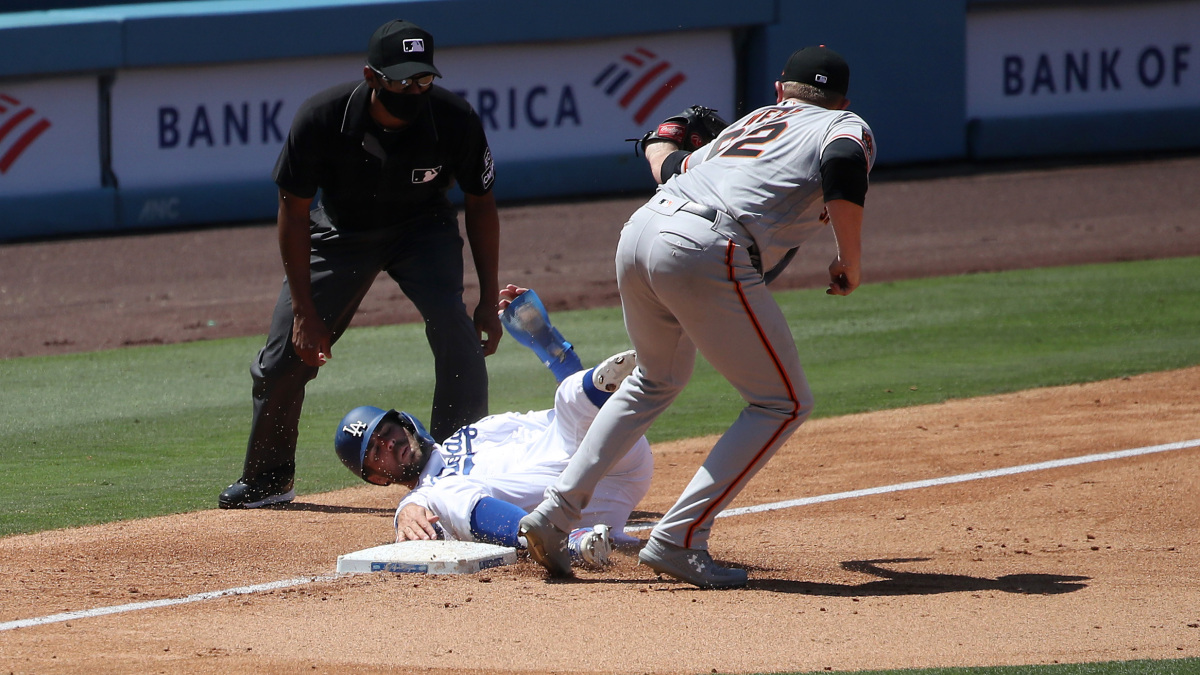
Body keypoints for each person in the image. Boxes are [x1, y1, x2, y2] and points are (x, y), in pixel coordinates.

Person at [518, 45, 877, 587]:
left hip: (640, 231)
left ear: (779, 92)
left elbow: (670, 167)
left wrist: (659, 141)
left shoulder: (750, 124)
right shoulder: (844, 123)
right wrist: (849, 258)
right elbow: (845, 163)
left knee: (654, 380)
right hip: (705, 246)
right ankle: (680, 539)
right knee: (782, 402)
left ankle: (553, 515)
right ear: (842, 99)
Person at [220, 19, 502, 508]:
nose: (414, 90)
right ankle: (268, 480)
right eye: (401, 80)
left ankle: (455, 472)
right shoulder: (322, 118)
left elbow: (481, 204)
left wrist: (487, 299)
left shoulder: (453, 118)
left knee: (456, 332)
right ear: (372, 77)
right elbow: (293, 212)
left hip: (423, 227)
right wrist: (306, 313)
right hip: (342, 231)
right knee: (283, 358)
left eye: (424, 79)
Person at [333, 285, 653, 568]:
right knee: (447, 492)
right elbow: (415, 506)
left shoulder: (478, 431)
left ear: (405, 423)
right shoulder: (428, 494)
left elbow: (566, 424)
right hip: (580, 509)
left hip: (614, 458)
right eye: (376, 450)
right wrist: (406, 509)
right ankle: (565, 542)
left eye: (387, 431)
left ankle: (611, 361)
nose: (388, 444)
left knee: (568, 400)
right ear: (376, 477)